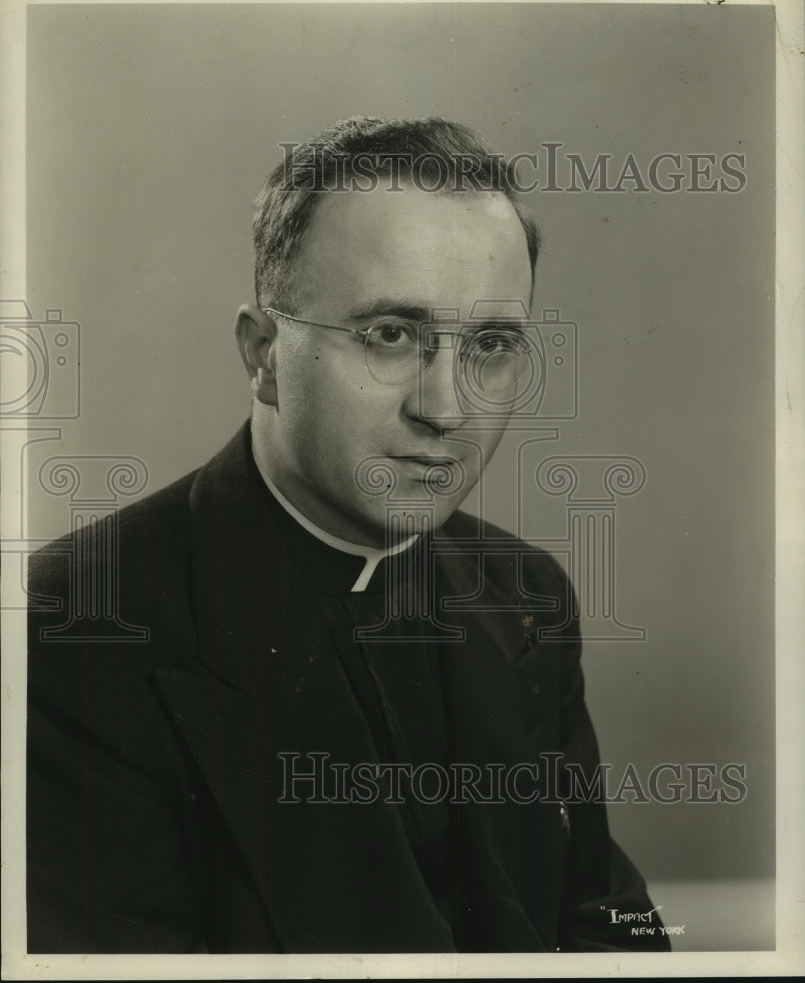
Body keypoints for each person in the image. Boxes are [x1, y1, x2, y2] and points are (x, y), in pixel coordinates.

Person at [26, 116, 669, 954]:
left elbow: (608, 924)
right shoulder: (76, 623)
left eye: (490, 345)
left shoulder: (526, 594)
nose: (444, 409)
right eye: (389, 335)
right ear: (263, 354)